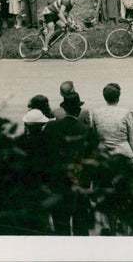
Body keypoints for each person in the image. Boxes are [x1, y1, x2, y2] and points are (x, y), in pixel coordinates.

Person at [43, 91, 95, 236]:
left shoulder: (51, 128)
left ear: (64, 109)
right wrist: (87, 184)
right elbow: (90, 161)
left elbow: (46, 155)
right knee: (80, 222)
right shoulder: (86, 131)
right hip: (78, 183)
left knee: (60, 224)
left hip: (57, 181)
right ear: (79, 110)